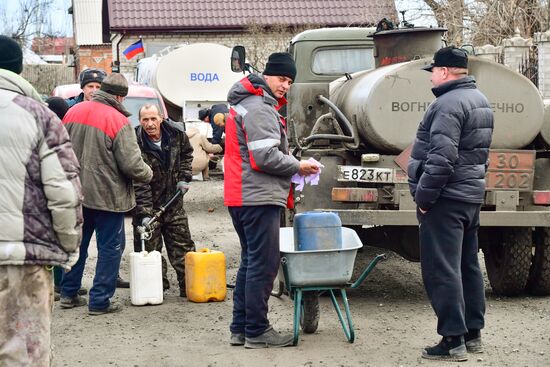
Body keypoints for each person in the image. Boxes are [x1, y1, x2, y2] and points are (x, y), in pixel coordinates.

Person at [224, 52, 320, 348]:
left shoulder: (247, 103)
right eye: (281, 78)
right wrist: (298, 166)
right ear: (267, 75)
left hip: (243, 195)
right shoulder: (260, 107)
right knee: (263, 264)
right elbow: (264, 156)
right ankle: (257, 330)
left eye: (290, 81)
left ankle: (240, 328)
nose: (285, 86)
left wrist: (291, 163)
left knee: (250, 262)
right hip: (257, 197)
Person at [407, 46, 494, 362]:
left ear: (443, 71)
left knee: (442, 269)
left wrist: (425, 197)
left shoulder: (446, 104)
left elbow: (442, 159)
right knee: (467, 266)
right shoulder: (479, 100)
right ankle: (472, 334)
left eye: (433, 70)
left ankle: (452, 339)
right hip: (470, 197)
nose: (431, 75)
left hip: (445, 198)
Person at [0, 35, 83, 365]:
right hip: (23, 259)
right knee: (23, 356)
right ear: (19, 70)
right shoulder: (39, 115)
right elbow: (64, 191)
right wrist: (69, 247)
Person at [60, 74, 153, 315]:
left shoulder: (74, 111)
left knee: (77, 244)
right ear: (120, 96)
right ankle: (100, 300)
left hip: (75, 192)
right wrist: (149, 174)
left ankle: (68, 293)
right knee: (110, 247)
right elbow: (132, 165)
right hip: (107, 196)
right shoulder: (118, 120)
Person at [133, 103, 195, 297]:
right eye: (145, 119)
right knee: (150, 252)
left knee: (183, 247)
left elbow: (187, 155)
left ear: (161, 118)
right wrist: (144, 214)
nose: (150, 124)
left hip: (174, 203)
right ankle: (156, 288)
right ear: (139, 121)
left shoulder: (177, 135)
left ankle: (190, 286)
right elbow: (138, 181)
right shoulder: (134, 142)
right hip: (148, 206)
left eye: (153, 119)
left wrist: (184, 177)